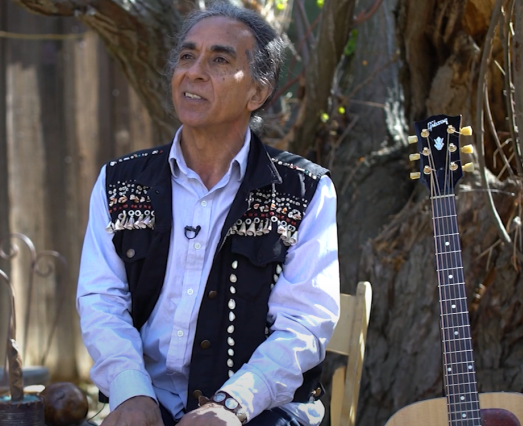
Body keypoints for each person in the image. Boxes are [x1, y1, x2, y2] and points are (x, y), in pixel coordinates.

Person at [77, 2, 340, 425]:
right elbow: (101, 300)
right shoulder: (119, 182)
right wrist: (130, 391)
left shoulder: (304, 191)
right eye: (187, 56)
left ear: (258, 92)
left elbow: (304, 326)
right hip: (149, 398)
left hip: (262, 408)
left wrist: (231, 406)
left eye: (219, 59)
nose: (193, 71)